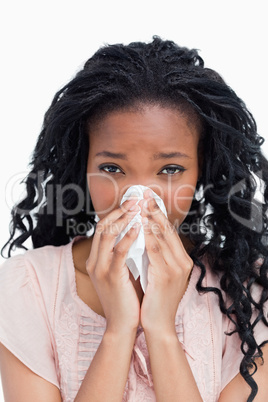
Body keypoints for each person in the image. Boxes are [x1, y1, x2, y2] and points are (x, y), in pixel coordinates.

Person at [0, 36, 268, 402]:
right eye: (112, 168)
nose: (141, 196)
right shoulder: (25, 288)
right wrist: (118, 330)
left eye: (170, 169)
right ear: (85, 166)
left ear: (202, 171)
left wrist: (161, 330)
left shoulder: (250, 297)